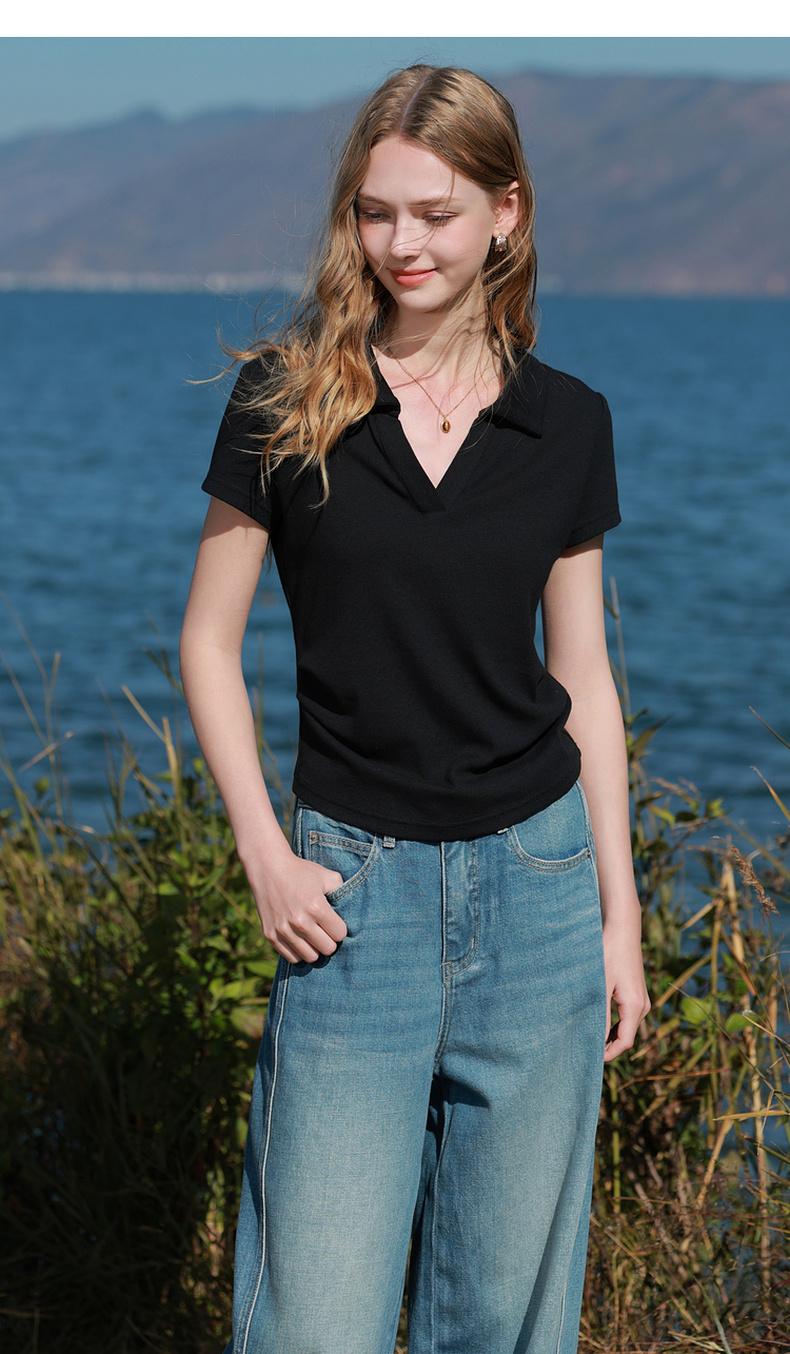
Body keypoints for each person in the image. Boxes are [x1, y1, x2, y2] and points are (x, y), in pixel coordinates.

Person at [180, 64, 650, 1354]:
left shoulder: (568, 425)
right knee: (312, 1323)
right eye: (377, 211)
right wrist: (267, 856)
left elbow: (583, 678)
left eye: (437, 214)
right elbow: (207, 644)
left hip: (540, 894)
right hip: (349, 899)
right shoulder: (288, 400)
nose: (404, 244)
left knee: (505, 1324)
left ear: (507, 213)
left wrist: (618, 915)